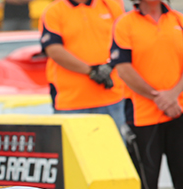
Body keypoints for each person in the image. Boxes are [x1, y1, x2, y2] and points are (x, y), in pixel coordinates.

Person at [112, 0, 183, 189]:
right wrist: (158, 98)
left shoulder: (177, 20)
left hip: (178, 111)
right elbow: (124, 69)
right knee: (146, 182)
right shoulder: (125, 23)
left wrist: (172, 95)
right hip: (143, 115)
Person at [40, 0, 126, 131]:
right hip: (70, 102)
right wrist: (91, 71)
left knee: (115, 144)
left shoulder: (110, 5)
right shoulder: (54, 11)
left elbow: (124, 42)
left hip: (112, 97)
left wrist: (108, 66)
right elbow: (53, 50)